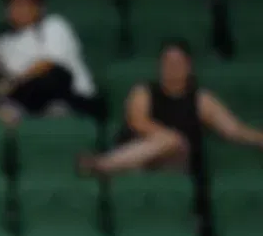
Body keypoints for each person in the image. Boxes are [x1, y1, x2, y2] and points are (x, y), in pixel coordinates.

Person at [77, 39, 263, 177]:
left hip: (176, 161)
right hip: (139, 151)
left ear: (188, 66)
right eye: (167, 62)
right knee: (170, 140)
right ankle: (113, 166)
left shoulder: (201, 100)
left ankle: (104, 165)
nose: (172, 67)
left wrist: (259, 138)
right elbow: (138, 122)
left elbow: (234, 130)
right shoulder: (143, 91)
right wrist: (167, 138)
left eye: (177, 63)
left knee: (174, 142)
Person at [0, 0, 98, 125]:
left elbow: (47, 65)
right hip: (30, 100)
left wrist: (14, 83)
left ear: (39, 7)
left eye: (24, 4)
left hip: (72, 97)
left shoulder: (54, 25)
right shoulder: (3, 43)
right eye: (13, 5)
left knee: (54, 76)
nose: (19, 10)